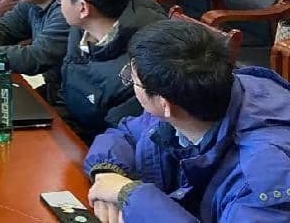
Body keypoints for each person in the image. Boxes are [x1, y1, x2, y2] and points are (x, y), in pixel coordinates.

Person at [85, 20, 290, 223]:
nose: (129, 82)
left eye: (132, 80)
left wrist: (130, 194)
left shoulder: (262, 176)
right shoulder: (192, 95)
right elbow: (127, 133)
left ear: (164, 104)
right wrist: (107, 173)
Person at [54, 0, 166, 141]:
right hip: (69, 129)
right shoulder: (81, 27)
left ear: (83, 8)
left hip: (98, 147)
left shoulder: (144, 64)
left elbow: (116, 137)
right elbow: (64, 89)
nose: (58, 3)